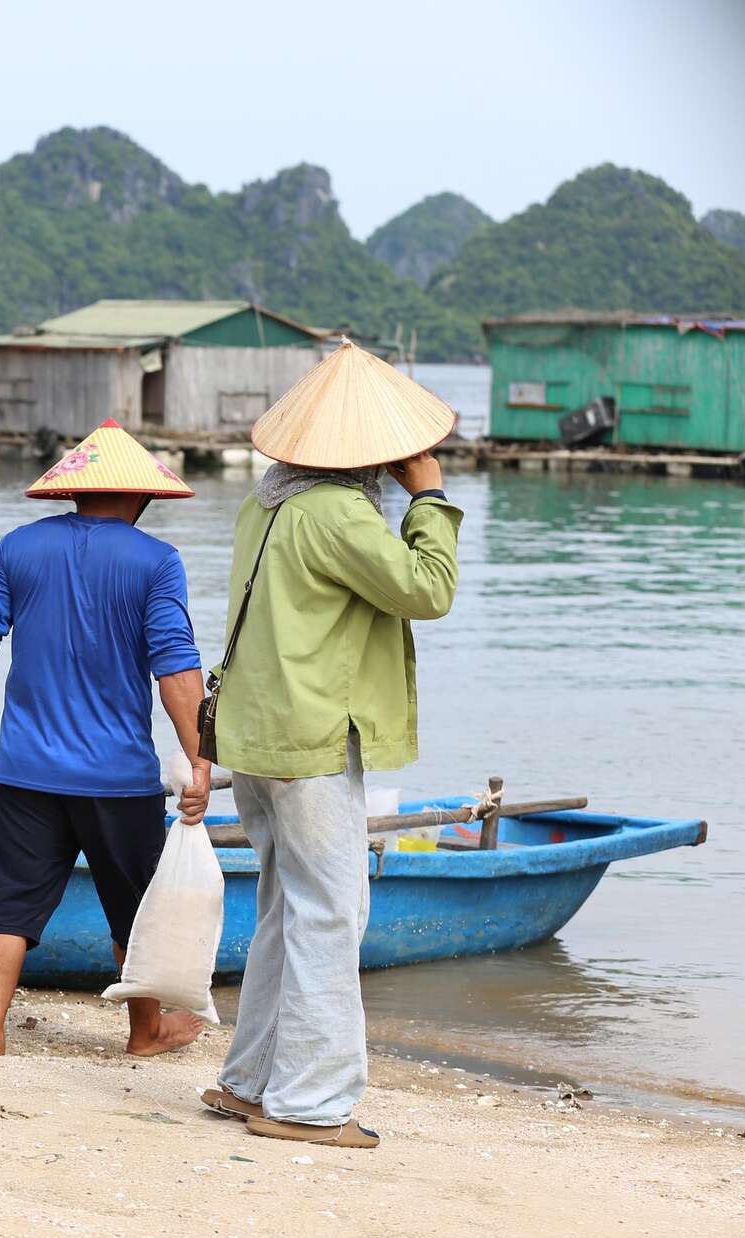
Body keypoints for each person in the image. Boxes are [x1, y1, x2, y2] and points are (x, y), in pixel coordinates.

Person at [198, 340, 463, 1150]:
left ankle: (250, 1081)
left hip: (258, 734)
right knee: (328, 916)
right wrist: (432, 495)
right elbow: (429, 589)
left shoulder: (268, 503)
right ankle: (310, 1102)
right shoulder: (338, 513)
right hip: (311, 740)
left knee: (286, 909)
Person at [0, 419, 212, 1058]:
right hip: (117, 778)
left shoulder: (18, 547)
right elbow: (175, 668)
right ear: (142, 497)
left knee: (7, 907)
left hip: (25, 772)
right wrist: (198, 757)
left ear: (74, 492)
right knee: (135, 910)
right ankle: (145, 1034)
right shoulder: (156, 561)